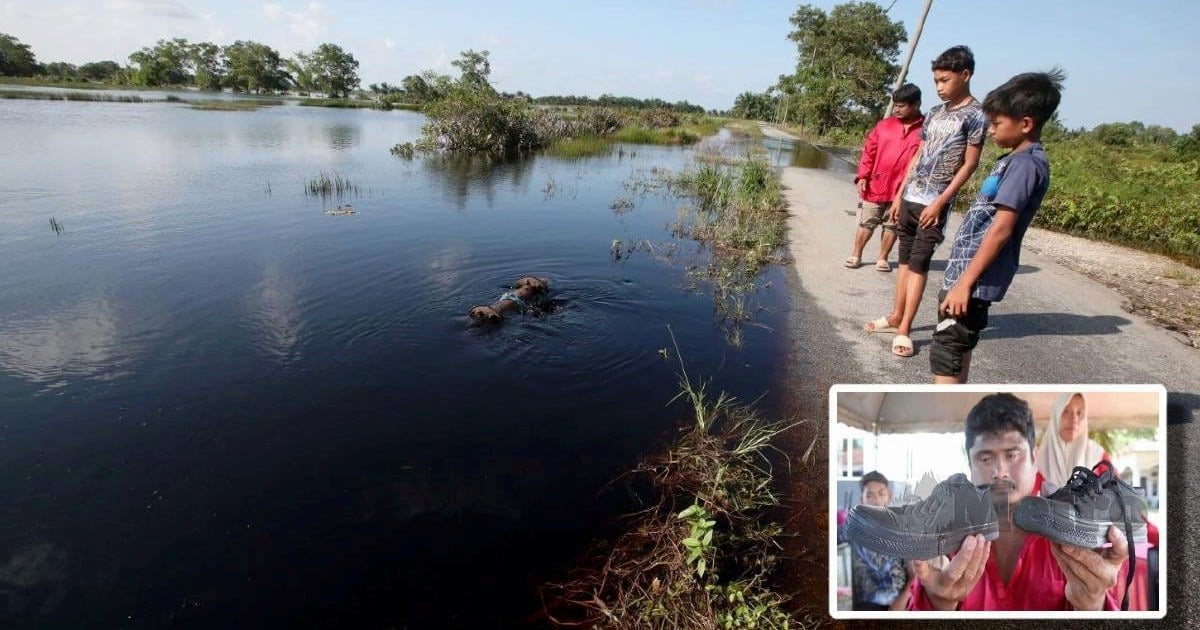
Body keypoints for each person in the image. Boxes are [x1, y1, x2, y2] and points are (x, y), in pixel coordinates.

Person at [909, 393, 1127, 611]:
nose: (1000, 472)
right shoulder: (946, 541)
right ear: (970, 465)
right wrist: (938, 604)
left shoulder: (1073, 536)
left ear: (1035, 458)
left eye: (1012, 455)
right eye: (985, 459)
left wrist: (1093, 605)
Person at [929, 69, 1065, 383]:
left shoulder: (1025, 164)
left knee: (947, 350)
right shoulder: (1014, 159)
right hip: (967, 276)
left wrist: (965, 283)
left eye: (997, 123)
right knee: (956, 349)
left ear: (1026, 123)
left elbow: (1002, 228)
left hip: (972, 281)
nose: (990, 131)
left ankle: (940, 419)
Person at [863, 46, 986, 358]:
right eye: (936, 81)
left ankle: (905, 328)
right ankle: (894, 316)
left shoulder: (975, 116)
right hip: (910, 198)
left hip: (934, 204)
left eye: (944, 80)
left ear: (965, 75)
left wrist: (941, 202)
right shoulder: (934, 113)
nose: (939, 87)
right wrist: (900, 194)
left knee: (918, 266)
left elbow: (969, 164)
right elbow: (918, 155)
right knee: (903, 262)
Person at [845, 84, 925, 272]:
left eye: (901, 106)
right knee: (867, 220)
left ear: (916, 104)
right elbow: (869, 151)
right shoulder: (884, 126)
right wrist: (863, 175)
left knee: (892, 225)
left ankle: (883, 258)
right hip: (877, 183)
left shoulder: (926, 129)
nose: (896, 109)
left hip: (905, 189)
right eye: (895, 105)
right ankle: (856, 254)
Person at [844, 471, 913, 611]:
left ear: (889, 496)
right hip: (864, 607)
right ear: (861, 500)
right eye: (869, 495)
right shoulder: (852, 529)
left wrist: (902, 599)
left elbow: (915, 576)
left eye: (881, 494)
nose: (876, 500)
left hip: (899, 605)